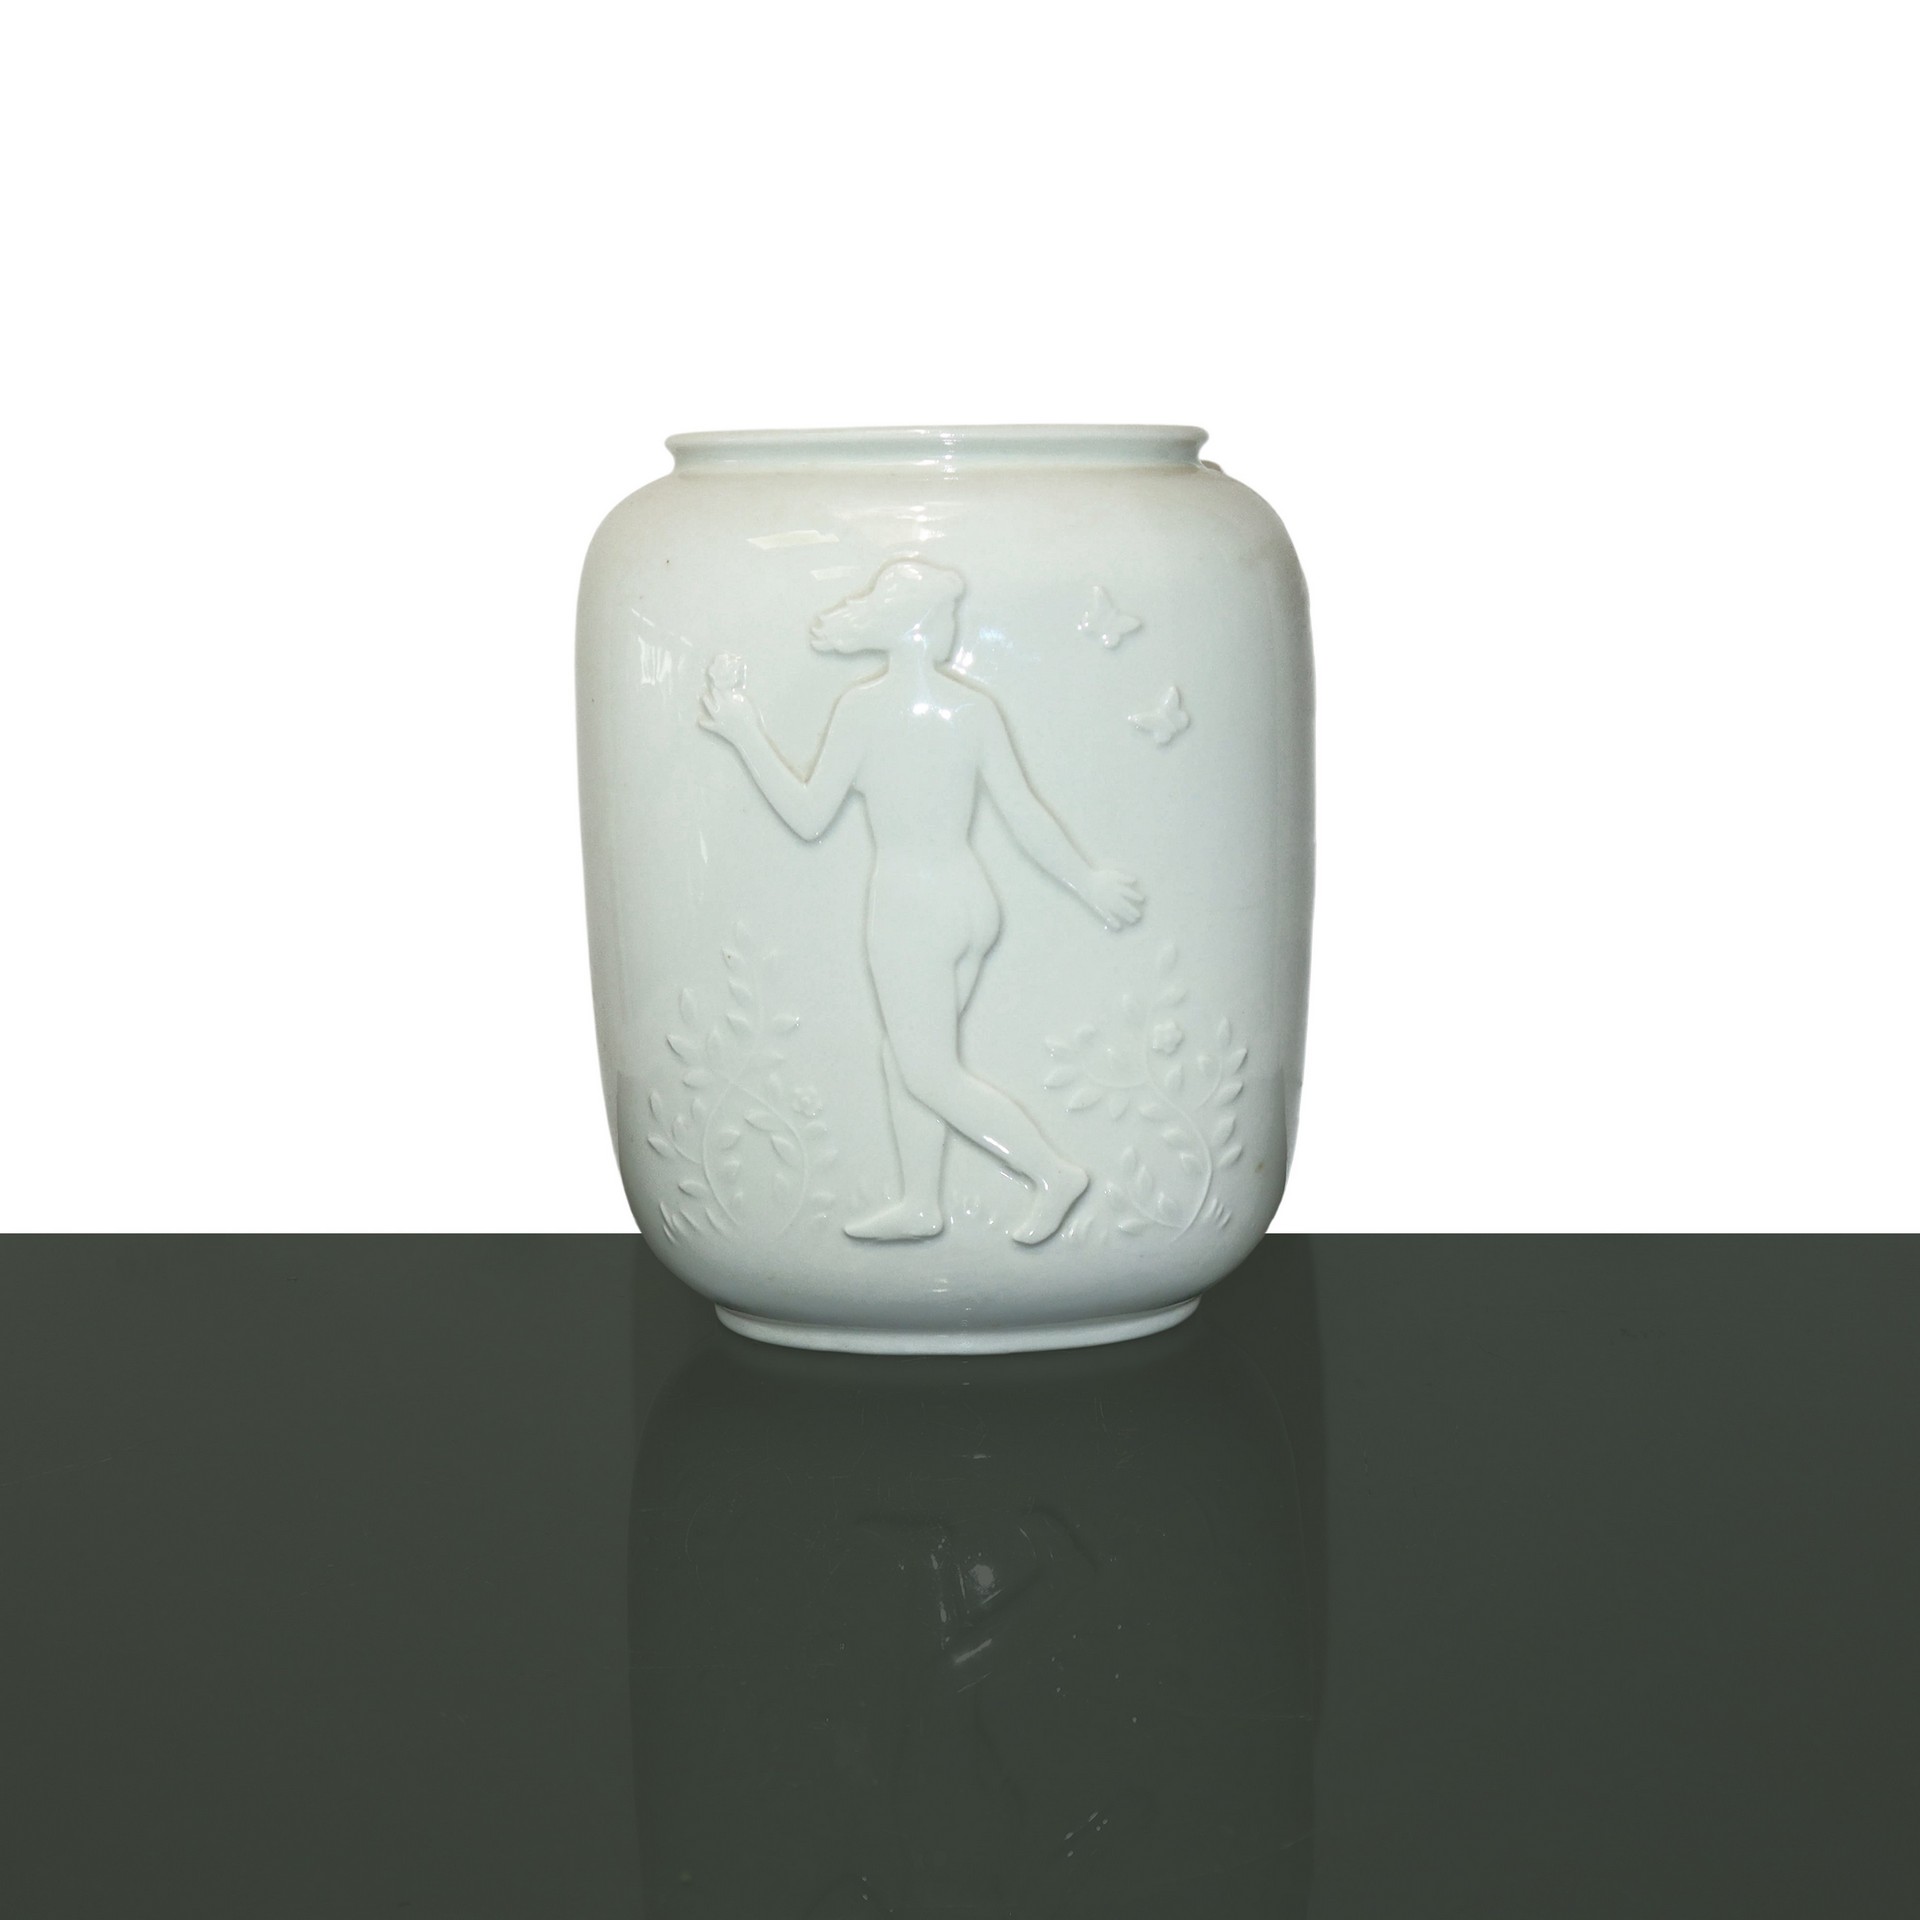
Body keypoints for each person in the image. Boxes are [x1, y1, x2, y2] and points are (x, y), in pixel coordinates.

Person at [699, 556, 1144, 1245]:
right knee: (906, 1058)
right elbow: (1023, 812)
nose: (952, 627)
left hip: (910, 910)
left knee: (927, 1071)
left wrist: (744, 733)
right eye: (945, 615)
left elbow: (809, 815)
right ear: (923, 626)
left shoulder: (864, 710)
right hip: (970, 902)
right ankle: (920, 1203)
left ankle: (1051, 1172)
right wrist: (1084, 879)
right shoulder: (972, 710)